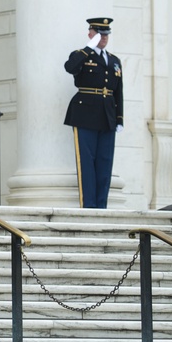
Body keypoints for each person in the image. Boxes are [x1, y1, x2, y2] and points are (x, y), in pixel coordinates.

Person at [63, 17, 123, 209]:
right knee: (87, 164)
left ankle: (101, 207)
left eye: (106, 34)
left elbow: (118, 92)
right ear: (90, 34)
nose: (103, 38)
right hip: (85, 113)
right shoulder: (81, 55)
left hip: (108, 116)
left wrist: (119, 118)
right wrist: (89, 47)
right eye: (99, 34)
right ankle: (88, 206)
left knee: (105, 163)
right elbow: (70, 67)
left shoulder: (114, 61)